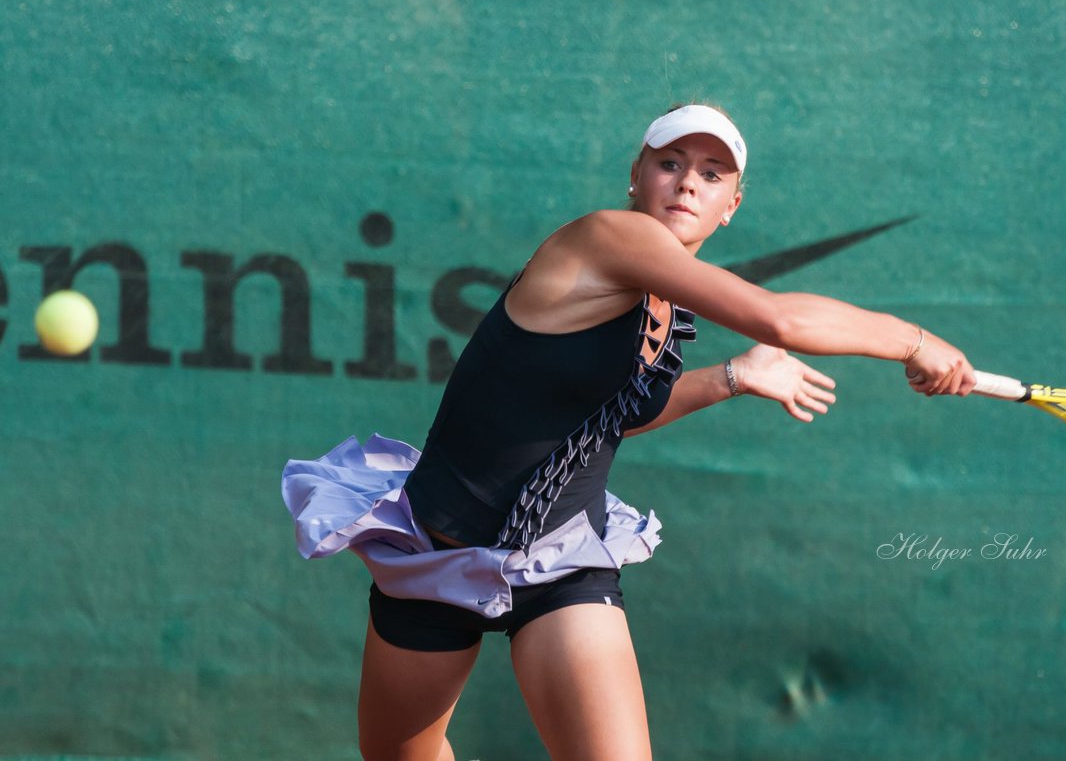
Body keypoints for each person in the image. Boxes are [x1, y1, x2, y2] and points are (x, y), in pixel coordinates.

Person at [282, 104, 975, 761]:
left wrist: (732, 376)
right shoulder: (608, 238)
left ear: (732, 206)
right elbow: (780, 319)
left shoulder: (665, 299)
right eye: (670, 162)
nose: (687, 183)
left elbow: (616, 421)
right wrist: (911, 340)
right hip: (438, 555)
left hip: (559, 563)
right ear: (636, 177)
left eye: (711, 174)